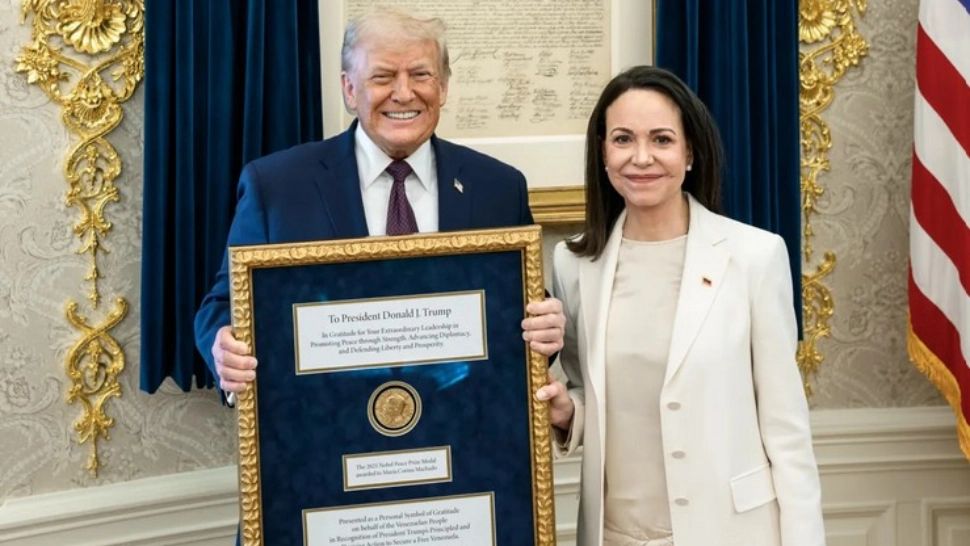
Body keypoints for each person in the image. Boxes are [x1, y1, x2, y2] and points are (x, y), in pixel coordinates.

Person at [194, 8, 565, 396]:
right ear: (350, 89)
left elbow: (520, 311)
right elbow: (223, 305)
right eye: (383, 77)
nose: (404, 93)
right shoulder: (277, 187)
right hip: (324, 430)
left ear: (444, 87)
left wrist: (546, 327)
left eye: (421, 75)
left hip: (462, 429)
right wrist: (224, 347)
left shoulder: (498, 188)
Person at [535, 66, 825, 546]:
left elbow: (786, 429)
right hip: (613, 534)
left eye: (662, 140)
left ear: (690, 152)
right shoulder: (574, 262)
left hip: (732, 532)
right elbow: (592, 392)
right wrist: (568, 411)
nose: (641, 157)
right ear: (603, 153)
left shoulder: (754, 256)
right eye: (623, 139)